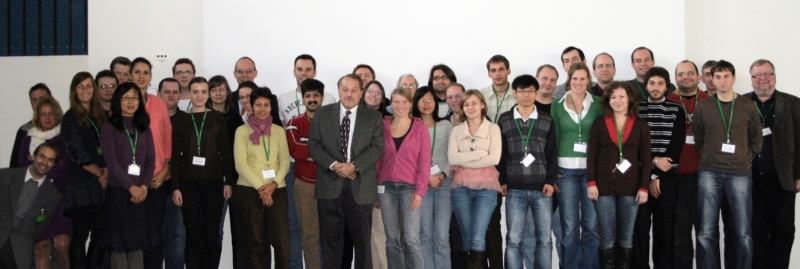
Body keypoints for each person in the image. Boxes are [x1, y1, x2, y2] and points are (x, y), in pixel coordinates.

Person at [308, 74, 384, 269]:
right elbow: (314, 145)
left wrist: (354, 166)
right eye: (345, 89)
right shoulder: (322, 114)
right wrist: (335, 165)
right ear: (338, 90)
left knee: (363, 244)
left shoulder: (373, 116)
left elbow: (377, 147)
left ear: (361, 93)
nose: (349, 94)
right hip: (329, 187)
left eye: (354, 90)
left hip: (361, 188)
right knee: (330, 243)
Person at [692, 60, 762, 269]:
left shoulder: (748, 105)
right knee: (705, 232)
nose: (721, 80)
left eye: (726, 76)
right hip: (709, 173)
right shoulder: (703, 106)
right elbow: (699, 139)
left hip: (740, 173)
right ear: (710, 80)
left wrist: (746, 158)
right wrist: (709, 155)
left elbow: (756, 138)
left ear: (734, 78)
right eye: (717, 76)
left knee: (743, 231)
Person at [170, 77, 234, 269]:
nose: (199, 96)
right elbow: (175, 155)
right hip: (188, 184)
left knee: (212, 234)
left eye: (203, 92)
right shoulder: (181, 119)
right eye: (195, 92)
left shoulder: (217, 118)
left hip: (214, 184)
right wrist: (175, 187)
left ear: (208, 94)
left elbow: (226, 152)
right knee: (192, 234)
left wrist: (228, 182)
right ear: (189, 93)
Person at [587, 81, 651, 269]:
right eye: (613, 97)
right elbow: (592, 155)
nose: (618, 100)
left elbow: (646, 159)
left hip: (631, 188)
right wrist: (591, 181)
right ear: (608, 100)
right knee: (607, 236)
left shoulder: (640, 125)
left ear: (630, 99)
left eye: (622, 96)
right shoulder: (599, 124)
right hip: (603, 187)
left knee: (626, 236)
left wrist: (644, 187)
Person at [744, 59, 800, 269]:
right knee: (755, 231)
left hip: (783, 179)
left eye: (767, 74)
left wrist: (799, 174)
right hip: (751, 180)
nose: (762, 79)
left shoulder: (793, 103)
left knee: (783, 230)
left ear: (775, 77)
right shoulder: (742, 103)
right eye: (757, 75)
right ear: (751, 80)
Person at [497, 75, 557, 269]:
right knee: (514, 239)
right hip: (514, 189)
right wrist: (503, 181)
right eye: (522, 91)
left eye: (530, 90)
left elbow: (552, 153)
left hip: (542, 189)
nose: (526, 95)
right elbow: (501, 153)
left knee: (545, 239)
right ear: (514, 93)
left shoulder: (546, 119)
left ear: (536, 93)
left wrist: (550, 180)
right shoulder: (505, 119)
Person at [631, 67, 686, 269]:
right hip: (640, 178)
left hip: (667, 178)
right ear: (645, 85)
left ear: (667, 86)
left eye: (660, 83)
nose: (655, 87)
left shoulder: (675, 110)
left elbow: (676, 146)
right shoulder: (636, 110)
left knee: (665, 229)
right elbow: (633, 145)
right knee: (640, 229)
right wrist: (653, 165)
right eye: (652, 83)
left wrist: (657, 173)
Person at [551, 62, 602, 269]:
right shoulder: (557, 104)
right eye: (574, 79)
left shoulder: (598, 103)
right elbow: (552, 139)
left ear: (588, 80)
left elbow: (602, 138)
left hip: (591, 172)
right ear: (569, 80)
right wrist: (552, 171)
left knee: (591, 226)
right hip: (566, 172)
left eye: (582, 78)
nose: (578, 82)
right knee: (569, 227)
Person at [100, 82, 156, 269]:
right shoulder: (109, 127)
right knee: (119, 245)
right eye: (126, 98)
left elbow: (150, 161)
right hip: (119, 193)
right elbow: (111, 163)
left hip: (140, 194)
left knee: (137, 243)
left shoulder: (144, 127)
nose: (131, 102)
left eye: (134, 98)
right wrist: (131, 187)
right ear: (118, 101)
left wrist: (143, 187)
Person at [234, 87, 292, 269]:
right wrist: (261, 187)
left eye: (266, 105)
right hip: (250, 191)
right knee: (256, 242)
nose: (262, 108)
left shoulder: (278, 131)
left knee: (282, 242)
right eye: (258, 104)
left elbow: (285, 162)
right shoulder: (242, 131)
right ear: (251, 106)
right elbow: (240, 164)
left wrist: (272, 186)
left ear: (271, 107)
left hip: (277, 190)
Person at [376, 87, 431, 269]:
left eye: (404, 102)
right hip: (386, 188)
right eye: (396, 101)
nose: (400, 106)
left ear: (410, 104)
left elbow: (425, 162)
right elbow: (376, 158)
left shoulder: (419, 127)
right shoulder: (382, 125)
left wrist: (420, 192)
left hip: (410, 188)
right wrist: (375, 187)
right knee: (392, 239)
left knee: (412, 238)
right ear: (391, 103)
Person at [448, 89, 502, 269]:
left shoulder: (493, 128)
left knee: (478, 236)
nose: (470, 107)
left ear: (482, 105)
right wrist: (480, 154)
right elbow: (452, 158)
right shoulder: (456, 130)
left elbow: (494, 159)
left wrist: (466, 159)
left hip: (486, 189)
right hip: (460, 188)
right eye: (466, 104)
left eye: (474, 103)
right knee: (466, 237)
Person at [62, 72, 108, 269]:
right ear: (74, 91)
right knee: (80, 237)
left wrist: (107, 171)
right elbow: (77, 152)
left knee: (100, 236)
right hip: (81, 186)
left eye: (89, 86)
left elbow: (108, 146)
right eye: (80, 86)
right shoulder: (70, 117)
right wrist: (100, 173)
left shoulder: (102, 116)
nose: (85, 90)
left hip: (101, 186)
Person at [130, 57, 173, 269]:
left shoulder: (159, 104)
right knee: (135, 231)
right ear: (130, 75)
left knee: (155, 231)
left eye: (145, 72)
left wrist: (166, 169)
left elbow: (166, 139)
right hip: (133, 182)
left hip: (157, 178)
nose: (141, 76)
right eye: (137, 72)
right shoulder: (123, 103)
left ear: (150, 77)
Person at [665, 60, 709, 268]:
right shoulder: (669, 102)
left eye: (690, 73)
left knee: (706, 231)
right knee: (680, 232)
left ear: (698, 77)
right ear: (675, 79)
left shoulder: (709, 101)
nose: (686, 77)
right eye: (681, 74)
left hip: (706, 176)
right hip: (677, 176)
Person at [18, 97, 70, 269]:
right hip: (36, 201)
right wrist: (50, 169)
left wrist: (40, 168)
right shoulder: (28, 139)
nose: (47, 118)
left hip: (61, 200)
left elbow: (65, 171)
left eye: (51, 114)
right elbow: (24, 170)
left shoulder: (64, 138)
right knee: (41, 247)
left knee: (62, 244)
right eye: (43, 114)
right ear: (37, 117)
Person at [207, 75, 248, 269]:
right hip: (213, 180)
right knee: (215, 231)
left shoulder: (235, 117)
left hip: (236, 179)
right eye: (214, 89)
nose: (218, 93)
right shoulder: (202, 116)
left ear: (228, 91)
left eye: (221, 89)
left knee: (240, 231)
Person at [0, 143, 62, 269]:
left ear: (54, 164)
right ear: (33, 156)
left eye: (50, 160)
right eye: (42, 157)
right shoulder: (5, 176)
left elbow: (40, 227)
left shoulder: (53, 196)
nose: (44, 162)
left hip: (20, 247)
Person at [478, 55, 515, 269]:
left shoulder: (518, 96)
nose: (498, 74)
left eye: (502, 69)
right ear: (489, 73)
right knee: (488, 223)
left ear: (509, 70)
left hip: (511, 163)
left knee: (502, 227)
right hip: (485, 166)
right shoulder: (481, 96)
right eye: (494, 70)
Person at [286, 78, 326, 269]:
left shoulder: (333, 123)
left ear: (322, 98)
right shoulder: (294, 123)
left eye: (316, 96)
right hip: (305, 185)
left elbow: (338, 150)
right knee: (309, 235)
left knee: (329, 234)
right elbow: (295, 150)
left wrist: (311, 151)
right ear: (302, 99)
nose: (312, 99)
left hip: (330, 185)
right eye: (308, 96)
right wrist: (321, 152)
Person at [413, 86, 454, 269]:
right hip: (421, 185)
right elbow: (409, 159)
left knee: (442, 236)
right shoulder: (412, 127)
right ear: (416, 103)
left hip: (444, 184)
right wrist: (427, 177)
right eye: (422, 100)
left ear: (436, 103)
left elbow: (453, 155)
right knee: (425, 235)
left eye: (430, 100)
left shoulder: (446, 125)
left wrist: (442, 174)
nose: (427, 104)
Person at [358, 79, 390, 269]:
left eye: (378, 92)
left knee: (380, 232)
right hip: (358, 181)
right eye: (370, 91)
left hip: (381, 182)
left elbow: (385, 154)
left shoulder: (388, 121)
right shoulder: (355, 118)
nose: (373, 95)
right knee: (365, 233)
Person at [161, 77, 188, 269]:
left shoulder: (186, 120)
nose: (171, 95)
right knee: (155, 235)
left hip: (178, 186)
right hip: (154, 186)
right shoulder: (149, 119)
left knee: (178, 237)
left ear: (180, 95)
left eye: (175, 92)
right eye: (166, 92)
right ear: (159, 94)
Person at [10, 83, 51, 168]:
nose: (38, 103)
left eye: (41, 98)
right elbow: (14, 166)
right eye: (34, 100)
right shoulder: (24, 131)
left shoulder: (62, 128)